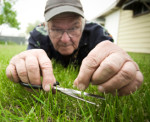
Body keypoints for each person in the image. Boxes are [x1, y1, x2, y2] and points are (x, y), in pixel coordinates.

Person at [6, 0, 143, 96]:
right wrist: (25, 62)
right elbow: (29, 57)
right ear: (47, 28)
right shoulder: (38, 33)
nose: (65, 39)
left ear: (83, 25)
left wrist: (119, 63)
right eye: (56, 29)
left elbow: (111, 52)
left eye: (74, 28)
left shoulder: (97, 32)